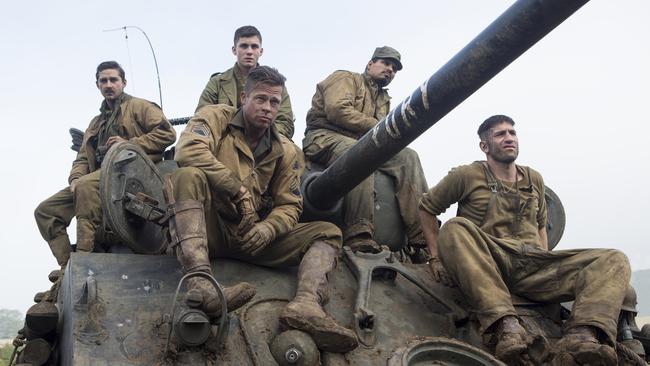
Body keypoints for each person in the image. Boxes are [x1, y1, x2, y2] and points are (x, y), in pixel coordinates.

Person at [170, 66, 358, 352]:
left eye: (274, 102)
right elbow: (188, 151)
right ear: (243, 97)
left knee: (327, 232)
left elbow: (290, 204)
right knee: (186, 176)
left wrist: (268, 228)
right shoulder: (215, 118)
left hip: (253, 237)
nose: (268, 108)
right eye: (260, 99)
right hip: (210, 229)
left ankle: (306, 306)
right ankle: (201, 284)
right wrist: (236, 188)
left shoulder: (286, 150)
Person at [418, 115, 631, 365]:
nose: (509, 138)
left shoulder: (534, 179)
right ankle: (505, 326)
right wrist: (435, 257)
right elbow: (427, 207)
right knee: (455, 228)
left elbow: (541, 224)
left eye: (512, 133)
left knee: (614, 258)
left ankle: (582, 335)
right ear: (484, 146)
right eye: (500, 134)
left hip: (532, 263)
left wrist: (546, 259)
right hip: (490, 260)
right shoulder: (467, 175)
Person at [34, 61, 176, 268]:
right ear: (97, 85)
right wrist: (74, 177)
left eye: (113, 80)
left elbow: (167, 134)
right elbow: (83, 156)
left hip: (130, 174)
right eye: (104, 81)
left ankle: (84, 255)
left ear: (124, 82)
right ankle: (68, 267)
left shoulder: (140, 107)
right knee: (46, 211)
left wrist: (130, 144)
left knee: (86, 186)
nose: (109, 85)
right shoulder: (96, 122)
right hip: (100, 177)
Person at [303, 46, 428, 252]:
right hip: (323, 137)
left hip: (364, 143)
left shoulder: (383, 100)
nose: (390, 70)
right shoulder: (345, 78)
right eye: (386, 63)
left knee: (408, 156)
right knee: (360, 152)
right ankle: (358, 231)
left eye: (395, 69)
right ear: (370, 64)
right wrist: (379, 127)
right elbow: (337, 110)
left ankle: (422, 237)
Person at [196, 25, 295, 139]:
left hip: (264, 146)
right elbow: (202, 117)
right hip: (223, 142)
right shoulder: (217, 83)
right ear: (234, 50)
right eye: (244, 46)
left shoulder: (275, 85)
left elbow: (286, 124)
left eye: (254, 47)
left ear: (261, 51)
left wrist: (259, 135)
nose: (249, 51)